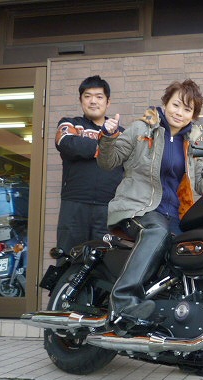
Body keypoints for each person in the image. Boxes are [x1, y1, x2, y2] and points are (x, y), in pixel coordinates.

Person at [96, 79, 203, 328]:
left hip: (174, 217)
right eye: (176, 105)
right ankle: (123, 302)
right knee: (157, 231)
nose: (179, 113)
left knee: (195, 251)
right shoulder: (141, 129)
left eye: (187, 109)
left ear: (193, 116)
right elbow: (108, 161)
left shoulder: (190, 144)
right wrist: (108, 136)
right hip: (138, 208)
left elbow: (201, 182)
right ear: (165, 103)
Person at [55, 75, 124, 254]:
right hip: (74, 205)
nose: (93, 101)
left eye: (99, 96)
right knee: (69, 258)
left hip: (109, 208)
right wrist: (106, 141)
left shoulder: (123, 134)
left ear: (108, 102)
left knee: (108, 260)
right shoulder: (70, 124)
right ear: (81, 100)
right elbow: (67, 143)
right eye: (87, 96)